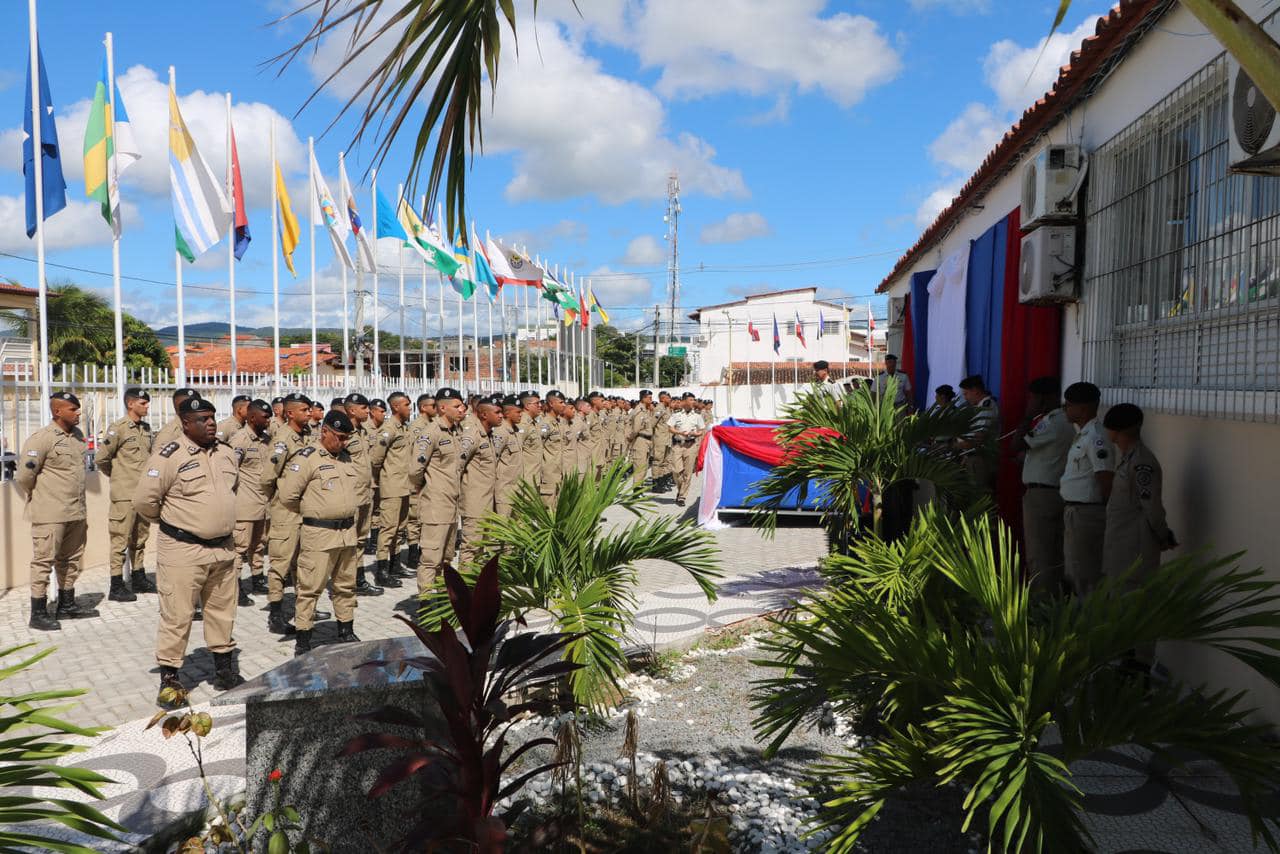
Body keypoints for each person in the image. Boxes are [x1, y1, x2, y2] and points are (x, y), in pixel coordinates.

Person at [133, 395, 243, 708]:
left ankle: (224, 671)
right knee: (177, 615)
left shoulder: (225, 453)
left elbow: (230, 491)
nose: (210, 424)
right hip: (183, 549)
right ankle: (170, 680)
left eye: (211, 418)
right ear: (185, 423)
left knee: (222, 611)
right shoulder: (169, 456)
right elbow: (144, 502)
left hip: (223, 548)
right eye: (201, 420)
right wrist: (178, 523)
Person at [277, 410, 363, 655]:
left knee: (346, 585)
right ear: (324, 431)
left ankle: (345, 629)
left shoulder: (346, 458)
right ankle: (304, 639)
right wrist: (314, 512)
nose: (344, 442)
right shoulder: (307, 458)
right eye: (340, 437)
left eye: (347, 438)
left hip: (347, 533)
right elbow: (288, 496)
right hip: (319, 534)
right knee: (309, 588)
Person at [15, 392, 90, 630]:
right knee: (44, 561)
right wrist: (41, 497)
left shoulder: (78, 436)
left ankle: (66, 605)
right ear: (57, 411)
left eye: (78, 409)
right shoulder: (42, 439)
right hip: (50, 512)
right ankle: (38, 613)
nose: (78, 413)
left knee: (71, 559)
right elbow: (24, 476)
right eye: (72, 409)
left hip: (75, 510)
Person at [1102, 403, 1175, 585]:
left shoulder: (1141, 462)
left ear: (1116, 430)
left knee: (1129, 592)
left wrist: (1163, 535)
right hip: (1120, 542)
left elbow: (1152, 506)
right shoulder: (1128, 457)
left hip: (1134, 547)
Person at [96, 387, 157, 602]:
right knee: (120, 539)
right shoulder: (118, 429)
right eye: (143, 403)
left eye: (147, 403)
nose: (147, 406)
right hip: (124, 494)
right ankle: (116, 585)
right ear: (130, 404)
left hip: (142, 493)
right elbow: (102, 459)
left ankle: (138, 577)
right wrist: (119, 477)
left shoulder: (146, 429)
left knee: (140, 537)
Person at [1016, 377, 1075, 595]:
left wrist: (1028, 415)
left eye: (1033, 398)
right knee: (1053, 553)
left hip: (1043, 495)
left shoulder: (1052, 421)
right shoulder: (1060, 421)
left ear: (1044, 398)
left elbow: (1017, 443)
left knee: (1039, 554)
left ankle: (1042, 602)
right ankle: (1054, 599)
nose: (1030, 402)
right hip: (1053, 492)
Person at [264, 392, 315, 634]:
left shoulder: (307, 435)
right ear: (290, 413)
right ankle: (276, 614)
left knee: (303, 562)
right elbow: (267, 477)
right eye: (304, 410)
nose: (309, 413)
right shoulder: (283, 440)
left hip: (306, 507)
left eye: (309, 409)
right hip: (286, 510)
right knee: (280, 562)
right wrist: (279, 497)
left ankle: (302, 608)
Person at [1059, 382, 1115, 596]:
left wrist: (1106, 513)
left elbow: (1105, 477)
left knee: (1085, 572)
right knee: (1074, 570)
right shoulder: (1083, 434)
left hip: (1087, 513)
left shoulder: (1096, 437)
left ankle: (1090, 614)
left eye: (1068, 405)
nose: (1065, 409)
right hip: (1076, 512)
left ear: (1082, 409)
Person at [411, 387, 468, 592]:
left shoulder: (455, 432)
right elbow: (415, 470)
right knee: (431, 559)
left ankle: (444, 600)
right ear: (443, 408)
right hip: (436, 505)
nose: (462, 409)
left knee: (446, 558)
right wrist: (429, 487)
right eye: (457, 406)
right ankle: (426, 604)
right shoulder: (431, 433)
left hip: (452, 504)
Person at [230, 399, 273, 606]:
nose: (269, 420)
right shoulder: (240, 439)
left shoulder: (266, 439)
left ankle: (257, 578)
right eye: (265, 417)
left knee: (259, 544)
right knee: (240, 547)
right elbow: (230, 470)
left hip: (263, 502)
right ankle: (235, 588)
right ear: (253, 417)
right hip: (245, 504)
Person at [370, 392, 416, 586]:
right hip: (392, 486)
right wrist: (385, 477)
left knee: (399, 528)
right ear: (396, 407)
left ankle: (395, 565)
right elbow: (375, 459)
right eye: (406, 405)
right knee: (388, 528)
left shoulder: (403, 428)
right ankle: (381, 570)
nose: (410, 408)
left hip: (405, 485)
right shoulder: (388, 429)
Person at [343, 393, 384, 596]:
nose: (368, 411)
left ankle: (358, 580)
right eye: (364, 408)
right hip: (351, 492)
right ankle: (345, 582)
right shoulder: (343, 433)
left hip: (366, 491)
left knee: (360, 539)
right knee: (348, 540)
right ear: (352, 410)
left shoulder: (364, 431)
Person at [459, 397, 502, 567]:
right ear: (484, 414)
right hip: (474, 502)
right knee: (471, 547)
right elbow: (458, 465)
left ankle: (476, 581)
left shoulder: (489, 435)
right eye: (497, 412)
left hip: (487, 500)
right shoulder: (472, 435)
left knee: (483, 547)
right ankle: (464, 582)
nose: (501, 416)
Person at [954, 375, 999, 492]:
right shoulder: (978, 407)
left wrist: (955, 446)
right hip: (972, 458)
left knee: (980, 495)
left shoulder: (986, 406)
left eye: (966, 394)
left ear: (975, 390)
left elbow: (978, 438)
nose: (965, 398)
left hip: (980, 459)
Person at [667, 393, 705, 507]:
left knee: (688, 473)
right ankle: (680, 490)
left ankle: (682, 496)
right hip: (678, 445)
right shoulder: (676, 415)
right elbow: (670, 428)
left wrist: (695, 433)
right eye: (691, 400)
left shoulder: (697, 416)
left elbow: (701, 430)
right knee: (676, 470)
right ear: (684, 401)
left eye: (693, 400)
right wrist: (679, 432)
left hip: (690, 445)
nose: (693, 402)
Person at [495, 396, 525, 517]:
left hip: (517, 490)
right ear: (507, 413)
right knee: (503, 525)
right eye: (518, 412)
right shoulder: (500, 432)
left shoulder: (516, 431)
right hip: (504, 491)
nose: (521, 415)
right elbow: (493, 459)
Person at [538, 391, 566, 508]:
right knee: (548, 509)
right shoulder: (545, 424)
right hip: (548, 474)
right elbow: (537, 448)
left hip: (559, 472)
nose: (564, 405)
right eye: (561, 402)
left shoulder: (559, 422)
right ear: (551, 404)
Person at [629, 390, 657, 486]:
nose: (651, 400)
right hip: (640, 440)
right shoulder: (639, 410)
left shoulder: (645, 410)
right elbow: (636, 429)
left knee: (644, 467)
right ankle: (637, 490)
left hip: (646, 441)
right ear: (643, 398)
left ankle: (639, 488)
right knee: (639, 468)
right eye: (649, 398)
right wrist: (631, 439)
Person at [651, 391, 674, 493]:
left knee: (665, 461)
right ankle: (655, 484)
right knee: (658, 461)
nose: (670, 400)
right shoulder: (659, 409)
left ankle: (662, 482)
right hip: (659, 439)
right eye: (668, 398)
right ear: (662, 398)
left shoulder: (666, 409)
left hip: (666, 439)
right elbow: (652, 424)